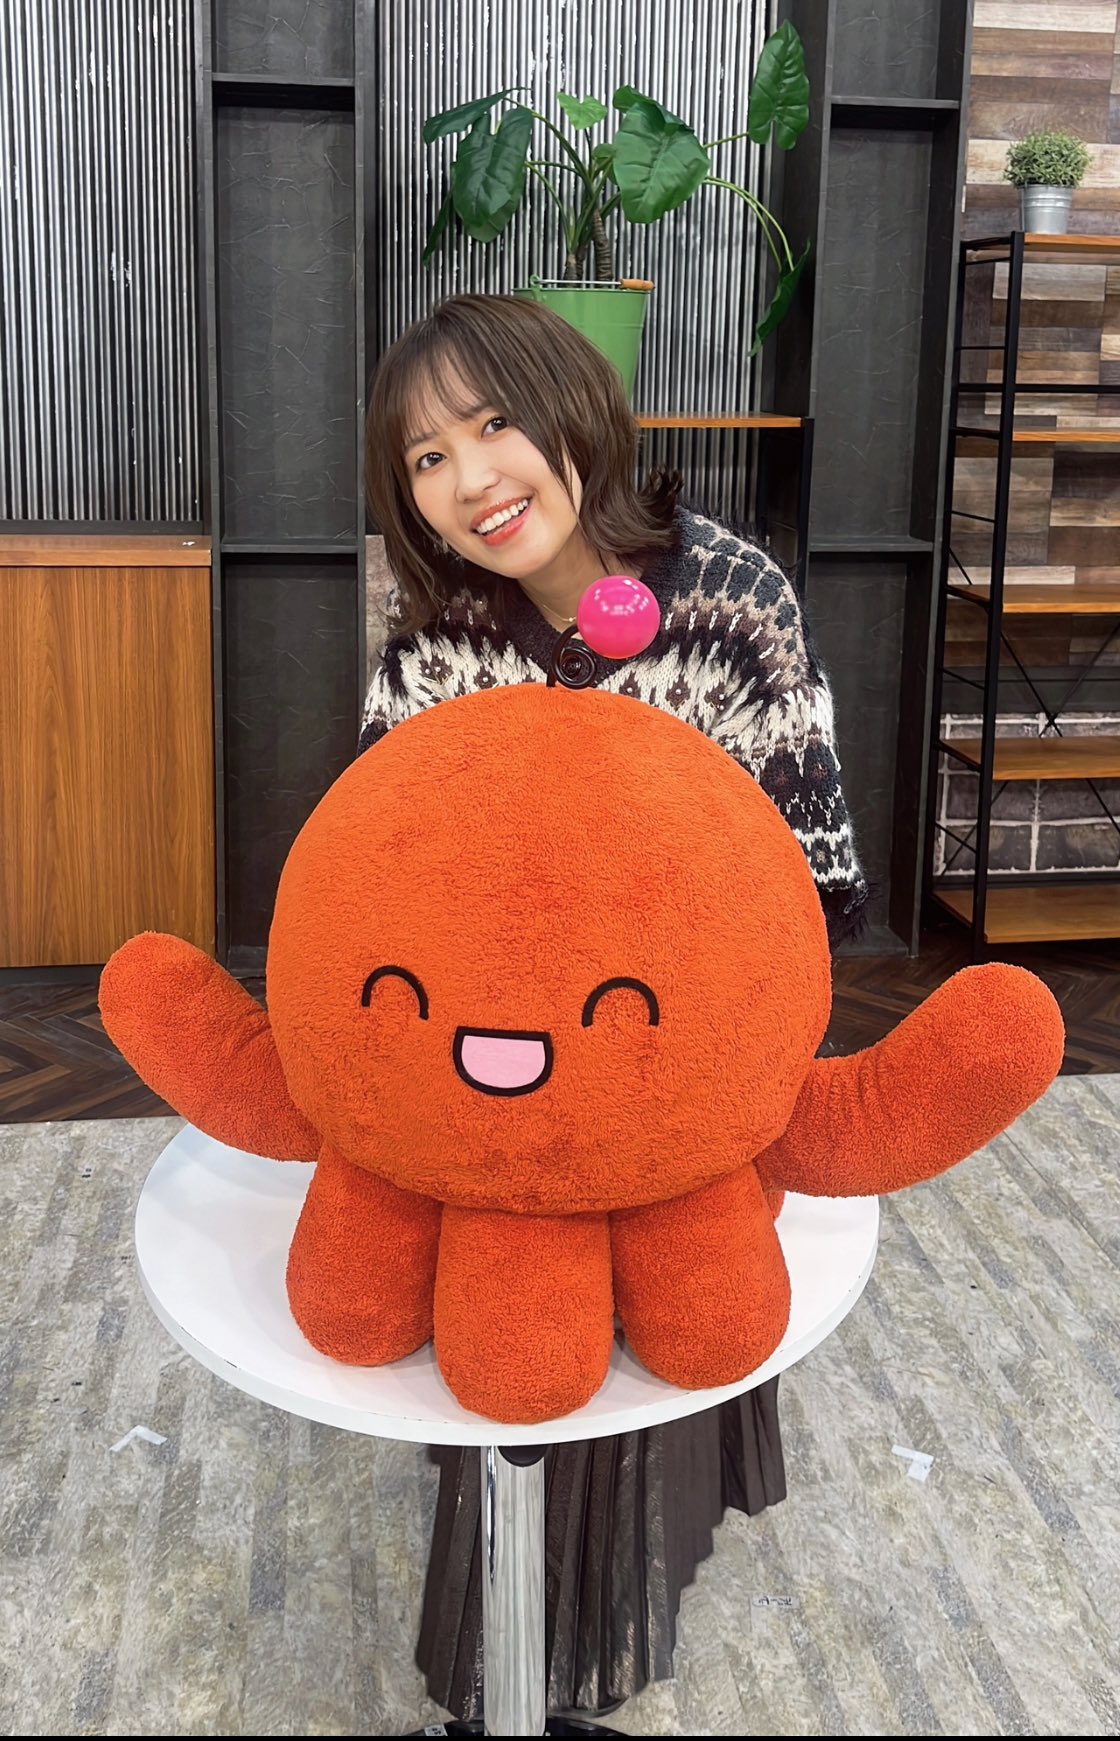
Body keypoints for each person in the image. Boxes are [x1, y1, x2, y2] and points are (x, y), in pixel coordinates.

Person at [359, 292, 868, 1720]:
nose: (472, 479)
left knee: (643, 1363)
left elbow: (813, 889)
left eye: (493, 425)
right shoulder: (438, 637)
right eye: (427, 459)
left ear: (573, 408)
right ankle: (505, 1664)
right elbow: (379, 880)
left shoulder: (732, 599)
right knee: (507, 1355)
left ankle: (567, 1661)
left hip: (666, 1075)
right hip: (487, 1075)